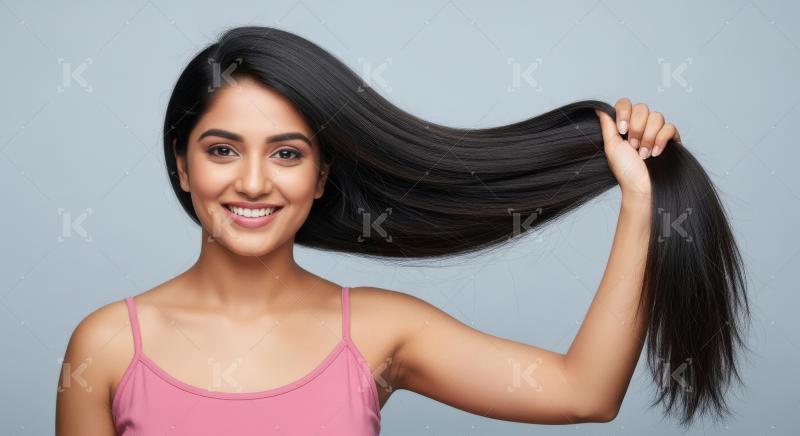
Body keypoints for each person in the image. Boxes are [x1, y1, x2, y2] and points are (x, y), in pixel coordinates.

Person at [56, 26, 748, 435]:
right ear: (182, 166)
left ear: (322, 176)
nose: (255, 182)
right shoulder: (109, 346)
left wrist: (638, 199)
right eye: (222, 149)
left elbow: (582, 392)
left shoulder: (380, 331)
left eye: (288, 153)